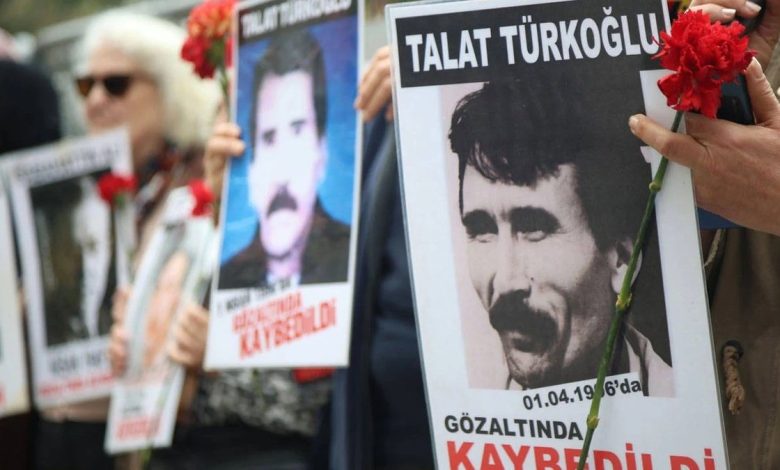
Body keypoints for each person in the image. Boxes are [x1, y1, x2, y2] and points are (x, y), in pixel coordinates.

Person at [37, 11, 220, 470]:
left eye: (115, 84)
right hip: (74, 432)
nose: (96, 100)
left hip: (177, 442)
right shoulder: (76, 196)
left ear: (169, 89)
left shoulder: (210, 181)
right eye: (85, 86)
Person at [447, 78, 674, 395]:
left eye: (534, 228)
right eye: (482, 231)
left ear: (623, 259)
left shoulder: (687, 408)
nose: (506, 282)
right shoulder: (460, 403)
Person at [218, 29, 350, 289]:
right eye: (268, 138)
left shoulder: (357, 261)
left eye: (298, 131)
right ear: (251, 166)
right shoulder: (228, 279)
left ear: (322, 153)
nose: (281, 173)